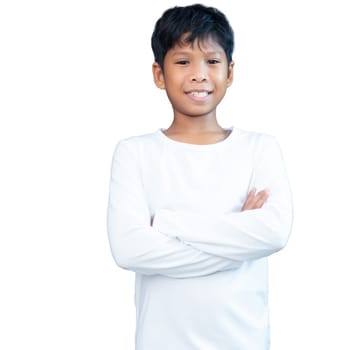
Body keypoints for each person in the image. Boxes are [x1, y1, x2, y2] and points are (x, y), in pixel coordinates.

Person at [107, 4, 293, 349]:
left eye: (212, 61)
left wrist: (166, 224)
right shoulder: (134, 153)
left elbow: (274, 233)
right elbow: (129, 249)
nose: (198, 74)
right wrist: (239, 242)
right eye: (182, 62)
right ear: (158, 74)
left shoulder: (259, 149)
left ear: (230, 72)